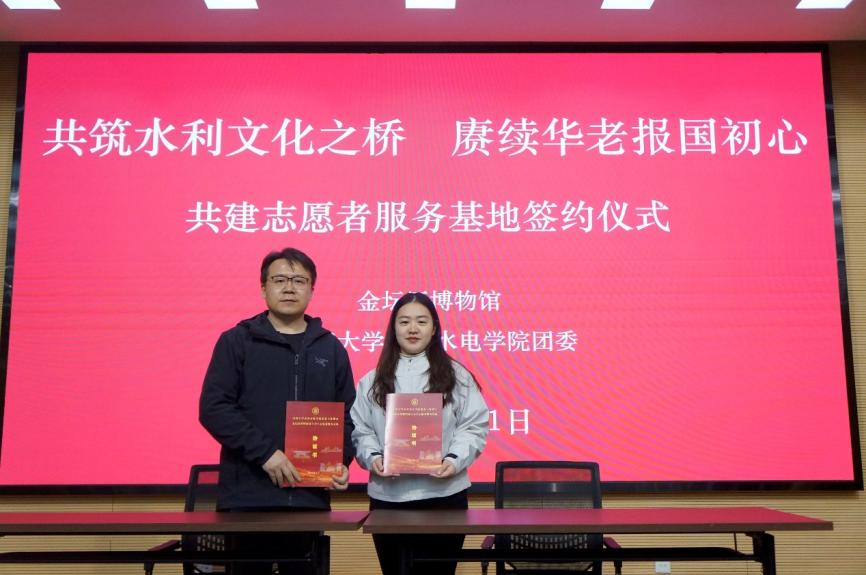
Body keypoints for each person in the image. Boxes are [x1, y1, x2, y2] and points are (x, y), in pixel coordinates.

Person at [199, 247, 356, 575]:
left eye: (299, 280)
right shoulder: (237, 341)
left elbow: (348, 416)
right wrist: (266, 454)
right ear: (263, 288)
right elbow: (214, 408)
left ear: (312, 289)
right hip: (247, 498)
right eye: (280, 280)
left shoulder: (331, 348)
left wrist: (340, 461)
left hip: (308, 499)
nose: (289, 288)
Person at [351, 292, 489, 575]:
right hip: (388, 498)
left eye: (421, 322)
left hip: (445, 495)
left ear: (434, 328)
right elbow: (360, 429)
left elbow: (473, 426)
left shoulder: (457, 376)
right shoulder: (371, 380)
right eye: (404, 322)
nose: (412, 329)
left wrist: (453, 460)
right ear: (394, 328)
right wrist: (373, 457)